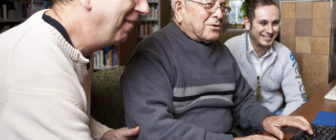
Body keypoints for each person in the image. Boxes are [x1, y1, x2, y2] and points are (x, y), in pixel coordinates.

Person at [121, 0, 313, 139]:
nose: (220, 14)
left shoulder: (222, 52)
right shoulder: (152, 54)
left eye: (222, 6)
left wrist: (267, 119)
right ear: (179, 9)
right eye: (209, 4)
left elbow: (243, 102)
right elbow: (153, 129)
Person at [0, 0, 149, 139]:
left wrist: (104, 134)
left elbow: (63, 108)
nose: (145, 8)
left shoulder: (70, 43)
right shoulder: (39, 71)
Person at [225, 0, 307, 115]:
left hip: (274, 114)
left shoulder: (286, 55)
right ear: (247, 23)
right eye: (263, 23)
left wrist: (281, 122)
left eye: (275, 23)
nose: (270, 30)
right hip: (239, 118)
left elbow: (297, 100)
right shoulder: (229, 49)